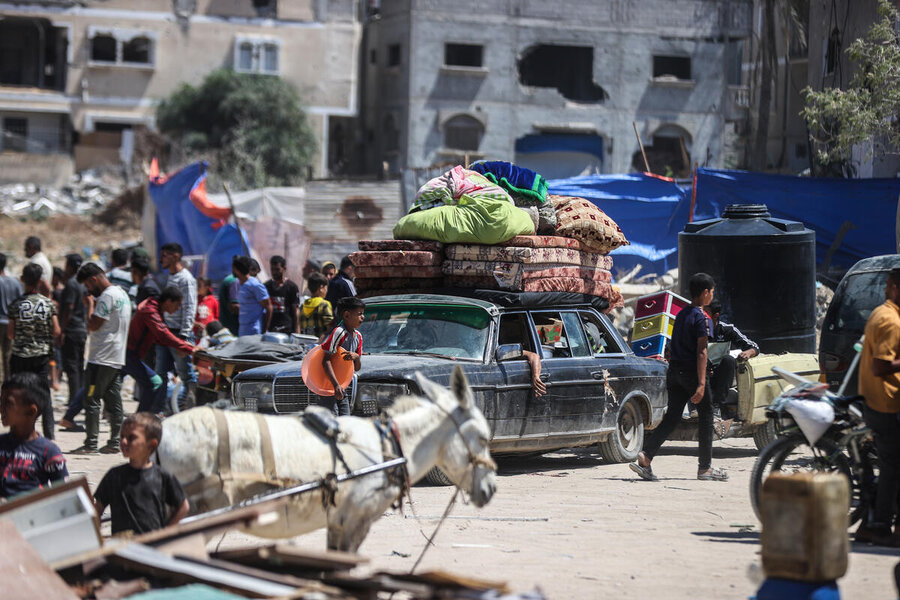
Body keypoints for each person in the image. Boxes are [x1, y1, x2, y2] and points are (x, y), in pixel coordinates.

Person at [631, 273, 727, 482]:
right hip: (692, 374)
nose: (712, 296)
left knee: (673, 416)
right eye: (711, 292)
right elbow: (702, 351)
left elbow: (673, 345)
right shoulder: (703, 318)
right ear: (705, 293)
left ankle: (646, 456)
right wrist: (701, 384)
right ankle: (705, 468)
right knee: (707, 416)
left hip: (674, 373)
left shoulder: (682, 314)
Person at [855, 268, 900, 546]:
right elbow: (880, 365)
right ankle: (881, 526)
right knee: (893, 469)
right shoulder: (891, 321)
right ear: (894, 287)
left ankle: (873, 524)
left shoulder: (880, 312)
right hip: (886, 405)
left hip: (878, 401)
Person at [93, 412, 189, 535]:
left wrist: (166, 532)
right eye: (122, 436)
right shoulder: (114, 476)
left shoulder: (162, 476)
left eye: (131, 438)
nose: (123, 441)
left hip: (152, 547)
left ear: (152, 444)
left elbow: (183, 507)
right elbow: (98, 509)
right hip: (122, 547)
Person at [72, 262, 131, 455]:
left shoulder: (106, 297)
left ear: (94, 279)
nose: (89, 290)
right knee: (113, 400)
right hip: (116, 356)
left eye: (88, 286)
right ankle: (115, 442)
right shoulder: (122, 293)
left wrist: (89, 306)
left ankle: (91, 444)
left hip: (101, 357)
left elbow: (94, 325)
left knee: (91, 398)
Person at [8, 263, 59, 440]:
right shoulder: (48, 304)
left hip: (20, 356)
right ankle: (49, 434)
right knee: (44, 395)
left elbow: (11, 333)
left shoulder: (15, 305)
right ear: (40, 281)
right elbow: (57, 331)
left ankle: (17, 430)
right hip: (41, 357)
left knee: (17, 393)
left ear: (22, 279)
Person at [127, 287, 196, 414]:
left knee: (105, 386)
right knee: (155, 382)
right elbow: (162, 334)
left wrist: (180, 346)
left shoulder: (156, 310)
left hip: (131, 355)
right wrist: (189, 348)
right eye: (177, 304)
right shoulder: (151, 311)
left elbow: (159, 338)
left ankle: (141, 417)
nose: (178, 308)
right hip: (129, 355)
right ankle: (140, 418)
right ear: (169, 301)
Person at [0, 373, 68, 499]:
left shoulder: (48, 452)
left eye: (7, 404)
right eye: (0, 401)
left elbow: (61, 495)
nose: (1, 408)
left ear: (31, 411)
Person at [156, 243, 197, 412]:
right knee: (160, 373)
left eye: (164, 256)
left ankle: (190, 408)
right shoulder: (169, 277)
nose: (161, 259)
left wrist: (185, 336)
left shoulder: (185, 279)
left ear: (175, 257)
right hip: (166, 331)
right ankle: (163, 409)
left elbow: (190, 307)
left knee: (185, 373)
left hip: (179, 333)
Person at [706, 300, 759, 419]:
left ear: (715, 316)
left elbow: (754, 347)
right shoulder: (695, 330)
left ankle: (717, 405)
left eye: (705, 313)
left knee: (729, 360)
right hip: (700, 372)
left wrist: (748, 353)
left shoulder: (727, 330)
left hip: (720, 375)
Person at [57, 254, 89, 432]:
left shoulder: (70, 284)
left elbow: (68, 307)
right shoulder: (82, 283)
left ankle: (74, 405)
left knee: (72, 369)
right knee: (77, 366)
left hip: (71, 330)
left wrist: (61, 329)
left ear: (69, 266)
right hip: (81, 329)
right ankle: (78, 402)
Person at [320, 296, 364, 416]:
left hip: (343, 387)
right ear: (346, 315)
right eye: (359, 314)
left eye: (363, 314)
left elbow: (357, 367)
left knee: (345, 419)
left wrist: (356, 357)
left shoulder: (358, 337)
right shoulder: (339, 332)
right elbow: (326, 361)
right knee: (332, 420)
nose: (363, 317)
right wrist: (335, 385)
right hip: (329, 387)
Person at [233, 255, 272, 336]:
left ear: (237, 270)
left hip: (254, 331)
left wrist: (265, 330)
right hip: (243, 331)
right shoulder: (241, 285)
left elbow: (268, 307)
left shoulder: (255, 285)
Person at [0, 253, 23, 381]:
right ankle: (8, 382)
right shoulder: (15, 282)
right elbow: (20, 302)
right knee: (7, 354)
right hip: (10, 323)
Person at [265, 255, 300, 334]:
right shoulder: (267, 286)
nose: (274, 272)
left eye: (277, 269)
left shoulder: (292, 287)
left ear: (284, 268)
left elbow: (295, 311)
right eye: (272, 269)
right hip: (271, 330)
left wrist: (297, 330)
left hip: (286, 329)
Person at [299, 273, 333, 341]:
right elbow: (330, 326)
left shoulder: (303, 305)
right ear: (321, 288)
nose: (327, 291)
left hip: (304, 344)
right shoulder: (324, 304)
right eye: (326, 288)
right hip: (318, 346)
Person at [217, 263, 240, 336]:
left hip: (226, 324)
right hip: (233, 327)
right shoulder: (234, 281)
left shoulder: (230, 279)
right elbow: (235, 307)